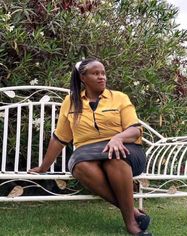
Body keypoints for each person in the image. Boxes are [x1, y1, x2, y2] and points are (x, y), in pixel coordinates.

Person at [29, 58, 152, 236]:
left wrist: (118, 137)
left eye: (103, 73)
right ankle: (132, 211)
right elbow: (60, 138)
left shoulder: (119, 98)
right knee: (80, 166)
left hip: (126, 150)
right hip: (88, 154)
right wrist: (43, 167)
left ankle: (131, 224)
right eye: (96, 73)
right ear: (82, 78)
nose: (101, 77)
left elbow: (135, 129)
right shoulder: (70, 102)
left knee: (114, 160)